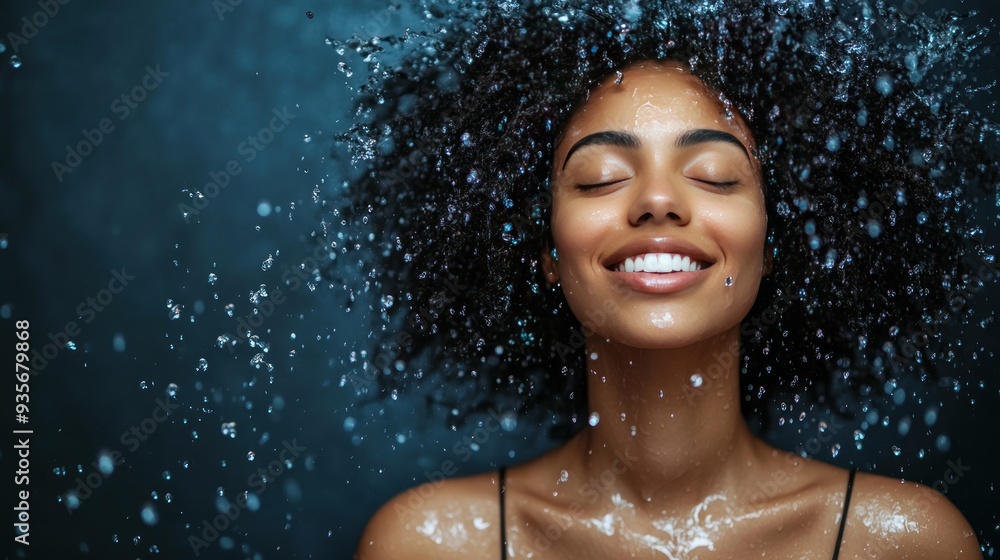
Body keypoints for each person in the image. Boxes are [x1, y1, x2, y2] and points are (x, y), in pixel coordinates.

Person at [339, 1, 997, 557]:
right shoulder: (433, 543)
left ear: (771, 244)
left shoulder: (902, 543)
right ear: (544, 251)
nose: (658, 201)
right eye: (600, 178)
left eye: (715, 175)